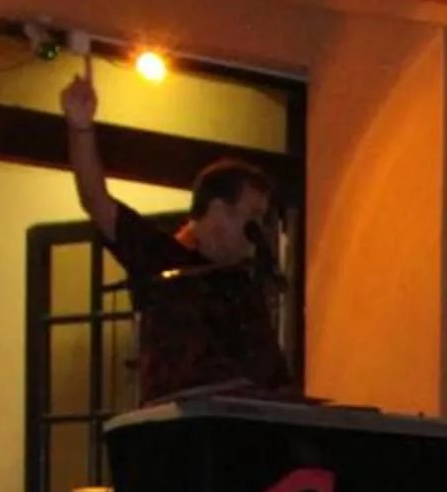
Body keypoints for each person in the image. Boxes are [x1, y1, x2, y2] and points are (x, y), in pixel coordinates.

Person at [62, 68, 294, 400]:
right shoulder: (166, 261)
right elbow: (96, 202)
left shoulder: (245, 287)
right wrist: (81, 129)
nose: (256, 232)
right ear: (218, 210)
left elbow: (274, 376)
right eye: (252, 217)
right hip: (178, 437)